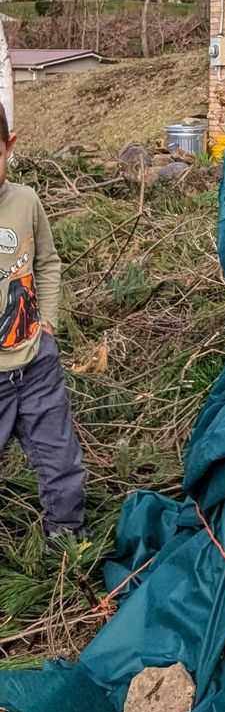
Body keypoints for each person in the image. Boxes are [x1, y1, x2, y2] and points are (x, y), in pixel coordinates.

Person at [0, 101, 88, 539]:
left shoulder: (26, 202)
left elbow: (48, 262)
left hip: (35, 364)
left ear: (8, 147)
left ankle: (66, 543)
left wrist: (47, 323)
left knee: (61, 463)